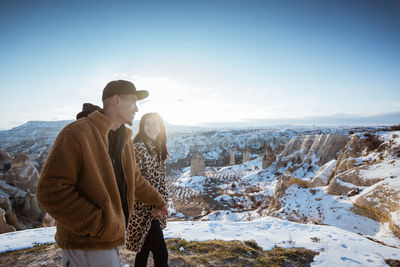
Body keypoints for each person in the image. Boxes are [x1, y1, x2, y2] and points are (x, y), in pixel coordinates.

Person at [37, 80, 168, 267]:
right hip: (85, 243)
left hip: (109, 239)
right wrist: (99, 224)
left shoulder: (125, 140)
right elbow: (50, 191)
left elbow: (135, 180)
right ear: (116, 100)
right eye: (132, 101)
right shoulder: (76, 133)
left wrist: (159, 201)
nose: (136, 109)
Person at [126, 113, 169, 267]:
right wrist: (157, 205)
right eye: (148, 124)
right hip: (143, 209)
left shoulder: (158, 148)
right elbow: (137, 182)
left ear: (161, 127)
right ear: (142, 127)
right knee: (161, 254)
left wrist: (162, 204)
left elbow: (161, 182)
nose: (151, 128)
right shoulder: (138, 148)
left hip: (156, 206)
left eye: (155, 124)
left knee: (143, 251)